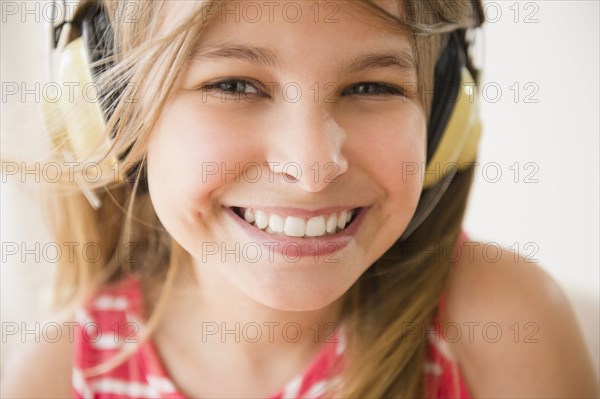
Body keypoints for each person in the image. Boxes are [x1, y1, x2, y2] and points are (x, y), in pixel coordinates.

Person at [1, 0, 598, 398]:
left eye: (372, 85)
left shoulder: (501, 328)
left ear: (445, 113)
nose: (313, 167)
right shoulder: (56, 379)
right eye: (233, 85)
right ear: (107, 113)